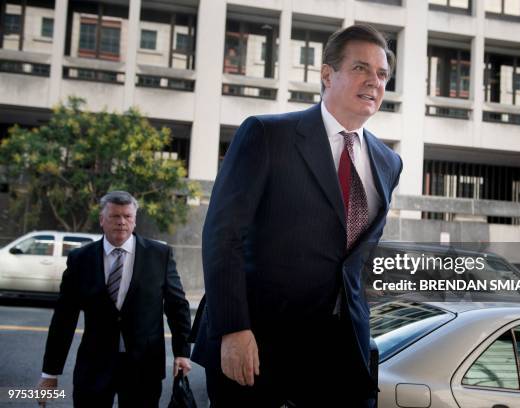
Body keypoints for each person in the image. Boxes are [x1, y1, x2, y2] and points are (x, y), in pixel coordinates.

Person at [191, 24, 402, 407]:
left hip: (339, 352)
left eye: (382, 73)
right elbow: (223, 236)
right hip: (255, 345)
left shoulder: (390, 163)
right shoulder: (266, 135)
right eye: (360, 68)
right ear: (326, 75)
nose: (374, 81)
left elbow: (356, 260)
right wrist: (233, 329)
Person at [37, 191, 192, 407]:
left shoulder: (159, 255)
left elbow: (177, 306)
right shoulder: (80, 259)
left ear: (135, 220)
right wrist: (50, 372)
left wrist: (182, 353)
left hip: (144, 367)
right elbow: (64, 318)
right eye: (114, 216)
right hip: (94, 367)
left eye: (127, 216)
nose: (121, 222)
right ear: (102, 220)